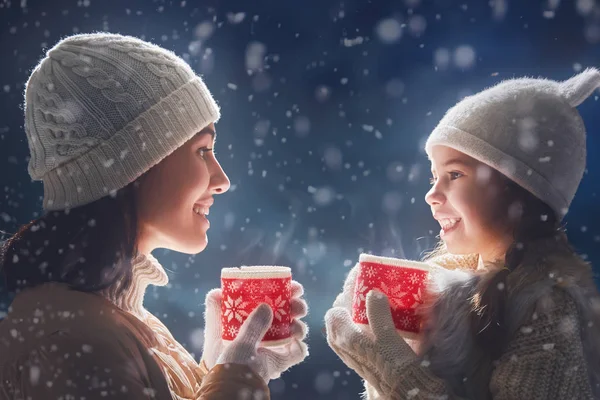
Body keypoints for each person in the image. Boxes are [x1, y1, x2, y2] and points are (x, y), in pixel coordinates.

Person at [0, 33, 308, 400]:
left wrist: (215, 370)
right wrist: (238, 381)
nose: (222, 180)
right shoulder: (71, 341)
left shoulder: (120, 322)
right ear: (134, 167)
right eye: (202, 151)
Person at [325, 69, 600, 399]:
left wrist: (394, 370)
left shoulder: (549, 308)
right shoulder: (444, 289)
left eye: (454, 174)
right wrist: (376, 351)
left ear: (519, 190)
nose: (431, 194)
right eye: (433, 177)